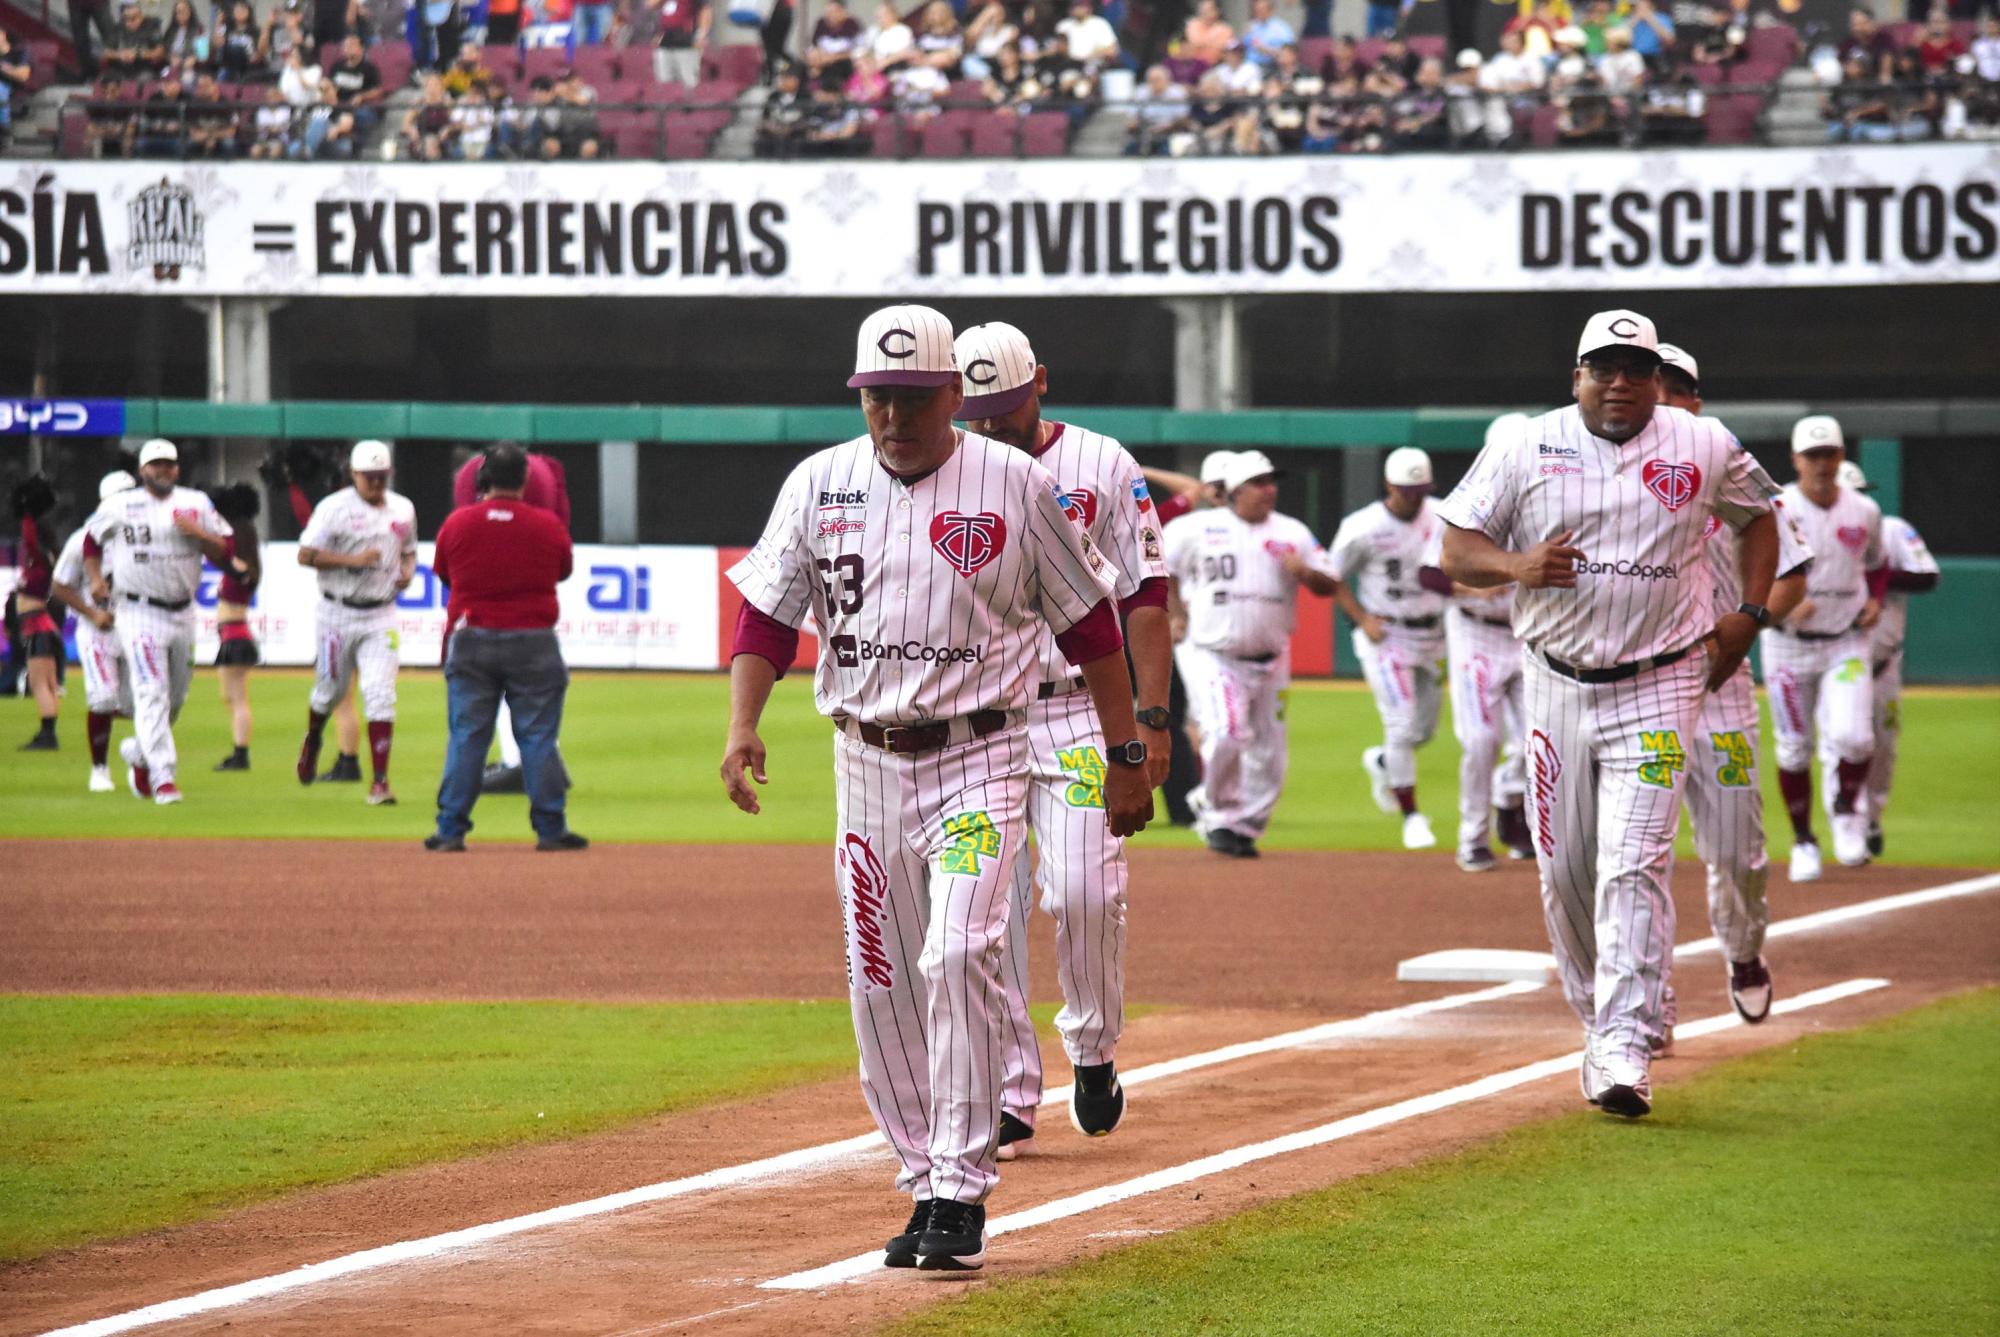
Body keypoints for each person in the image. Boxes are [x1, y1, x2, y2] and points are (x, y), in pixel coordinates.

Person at [720, 304, 1151, 1274]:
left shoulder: (1013, 482)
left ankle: (959, 1187)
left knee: (957, 949)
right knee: (878, 979)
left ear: (952, 394)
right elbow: (764, 615)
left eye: (911, 396)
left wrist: (1124, 754)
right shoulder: (817, 482)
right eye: (876, 395)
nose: (892, 415)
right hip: (864, 764)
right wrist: (741, 727)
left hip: (979, 759)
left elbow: (1091, 626)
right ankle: (921, 1175)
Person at [1438, 309, 1783, 1119]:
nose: (1620, 381)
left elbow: (1761, 516)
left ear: (1660, 379)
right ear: (1577, 376)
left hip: (1662, 683)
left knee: (1635, 863)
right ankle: (1604, 1015)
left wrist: (1752, 610)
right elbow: (1455, 549)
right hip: (1555, 683)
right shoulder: (1527, 442)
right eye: (1605, 366)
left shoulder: (1704, 444)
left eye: (1637, 367)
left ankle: (1625, 1042)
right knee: (1564, 874)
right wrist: (1516, 563)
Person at [953, 320, 1173, 1164]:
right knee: (984, 908)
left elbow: (1147, 591)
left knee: (1083, 890)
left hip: (1087, 707)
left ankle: (1092, 1047)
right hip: (989, 715)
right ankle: (1011, 1088)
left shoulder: (1104, 463)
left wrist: (1148, 721)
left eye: (1006, 408)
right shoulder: (952, 470)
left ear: (1039, 381)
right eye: (977, 413)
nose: (993, 425)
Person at [1653, 341, 1812, 1047]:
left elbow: (1793, 570)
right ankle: (1639, 992)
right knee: (1635, 847)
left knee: (1737, 845)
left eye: (1676, 385)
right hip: (1645, 690)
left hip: (1720, 686)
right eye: (1650, 381)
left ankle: (1743, 948)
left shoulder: (1732, 469)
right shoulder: (1597, 475)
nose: (1661, 395)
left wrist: (1748, 623)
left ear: (1697, 399)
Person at [1165, 449, 1337, 858]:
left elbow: (1330, 582)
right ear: (1236, 491)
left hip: (1272, 656)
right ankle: (1220, 813)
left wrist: (1306, 573)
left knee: (1271, 755)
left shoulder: (1292, 532)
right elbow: (1161, 567)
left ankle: (1244, 825)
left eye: (1271, 482)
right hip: (1212, 652)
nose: (1269, 490)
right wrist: (1174, 611)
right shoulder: (1197, 528)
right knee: (1225, 731)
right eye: (1259, 483)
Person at [428, 444, 584, 853]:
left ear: (482, 479)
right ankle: (550, 829)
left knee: (467, 737)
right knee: (537, 738)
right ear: (525, 480)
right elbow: (563, 569)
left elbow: (443, 571)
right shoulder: (547, 525)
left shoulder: (458, 524)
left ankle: (450, 830)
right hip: (533, 641)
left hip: (472, 637)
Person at [1762, 415, 1885, 880]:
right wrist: (1780, 604)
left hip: (1846, 642)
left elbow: (1877, 562)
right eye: (1812, 455)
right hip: (1788, 647)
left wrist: (1875, 598)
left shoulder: (1864, 511)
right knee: (1794, 748)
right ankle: (1803, 841)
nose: (1822, 464)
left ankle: (1846, 809)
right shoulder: (1777, 507)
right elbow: (1747, 567)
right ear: (1795, 459)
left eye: (1830, 453)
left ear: (1841, 456)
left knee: (1855, 737)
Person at [83, 439, 234, 806]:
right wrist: (96, 579)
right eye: (155, 465)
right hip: (138, 610)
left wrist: (198, 534)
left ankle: (139, 752)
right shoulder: (121, 505)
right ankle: (164, 777)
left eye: (168, 464)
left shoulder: (195, 503)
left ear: (177, 469)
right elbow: (90, 541)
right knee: (151, 691)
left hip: (182, 611)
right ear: (142, 470)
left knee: (175, 700)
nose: (162, 470)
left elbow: (226, 549)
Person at [1330, 448, 1449, 853]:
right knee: (1400, 725)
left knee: (1424, 730)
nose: (1414, 497)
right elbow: (1334, 576)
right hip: (1387, 635)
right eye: (1406, 490)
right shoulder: (1362, 525)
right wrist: (1360, 618)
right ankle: (1412, 816)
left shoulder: (1442, 514)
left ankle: (1383, 762)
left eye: (1420, 489)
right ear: (1389, 486)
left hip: (1433, 632)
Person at [295, 440, 419, 807]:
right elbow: (305, 554)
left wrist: (408, 572)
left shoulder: (403, 508)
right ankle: (314, 736)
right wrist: (352, 559)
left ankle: (380, 782)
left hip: (381, 613)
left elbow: (409, 549)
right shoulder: (333, 509)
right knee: (329, 692)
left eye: (382, 477)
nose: (377, 484)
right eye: (370, 477)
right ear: (354, 475)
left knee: (380, 694)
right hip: (337, 612)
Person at [1434, 416, 1533, 871]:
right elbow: (1427, 570)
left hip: (1528, 633)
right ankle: (1472, 837)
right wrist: (1472, 587)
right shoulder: (1467, 502)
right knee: (1479, 740)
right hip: (1475, 633)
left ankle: (1515, 807)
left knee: (1538, 741)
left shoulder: (1547, 501)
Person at [1827, 460, 1937, 859]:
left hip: (1884, 662)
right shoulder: (1821, 533)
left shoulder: (1889, 529)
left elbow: (1928, 576)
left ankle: (1870, 817)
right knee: (1840, 742)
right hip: (1837, 662)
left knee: (1884, 746)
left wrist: (1876, 574)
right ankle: (1847, 825)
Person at [450, 444, 573, 793]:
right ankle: (544, 765)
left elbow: (452, 567)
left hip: (488, 621)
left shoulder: (466, 507)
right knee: (535, 698)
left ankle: (516, 767)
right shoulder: (546, 509)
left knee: (486, 704)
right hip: (534, 619)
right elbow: (562, 561)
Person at [50, 470, 139, 792]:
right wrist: (90, 613)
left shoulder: (141, 535)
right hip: (98, 630)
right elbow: (60, 585)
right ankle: (99, 769)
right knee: (102, 699)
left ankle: (138, 758)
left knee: (140, 703)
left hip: (136, 627)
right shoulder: (81, 539)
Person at [208, 484, 264, 772]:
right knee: (230, 696)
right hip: (233, 634)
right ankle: (239, 750)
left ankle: (241, 753)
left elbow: (226, 561)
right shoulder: (246, 563)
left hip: (235, 633)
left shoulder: (241, 565)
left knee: (237, 697)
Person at [11, 474, 62, 751]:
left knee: (39, 683)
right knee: (48, 682)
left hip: (35, 623)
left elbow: (30, 537)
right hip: (41, 623)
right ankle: (48, 731)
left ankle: (47, 735)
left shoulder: (40, 562)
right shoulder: (46, 560)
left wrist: (29, 511)